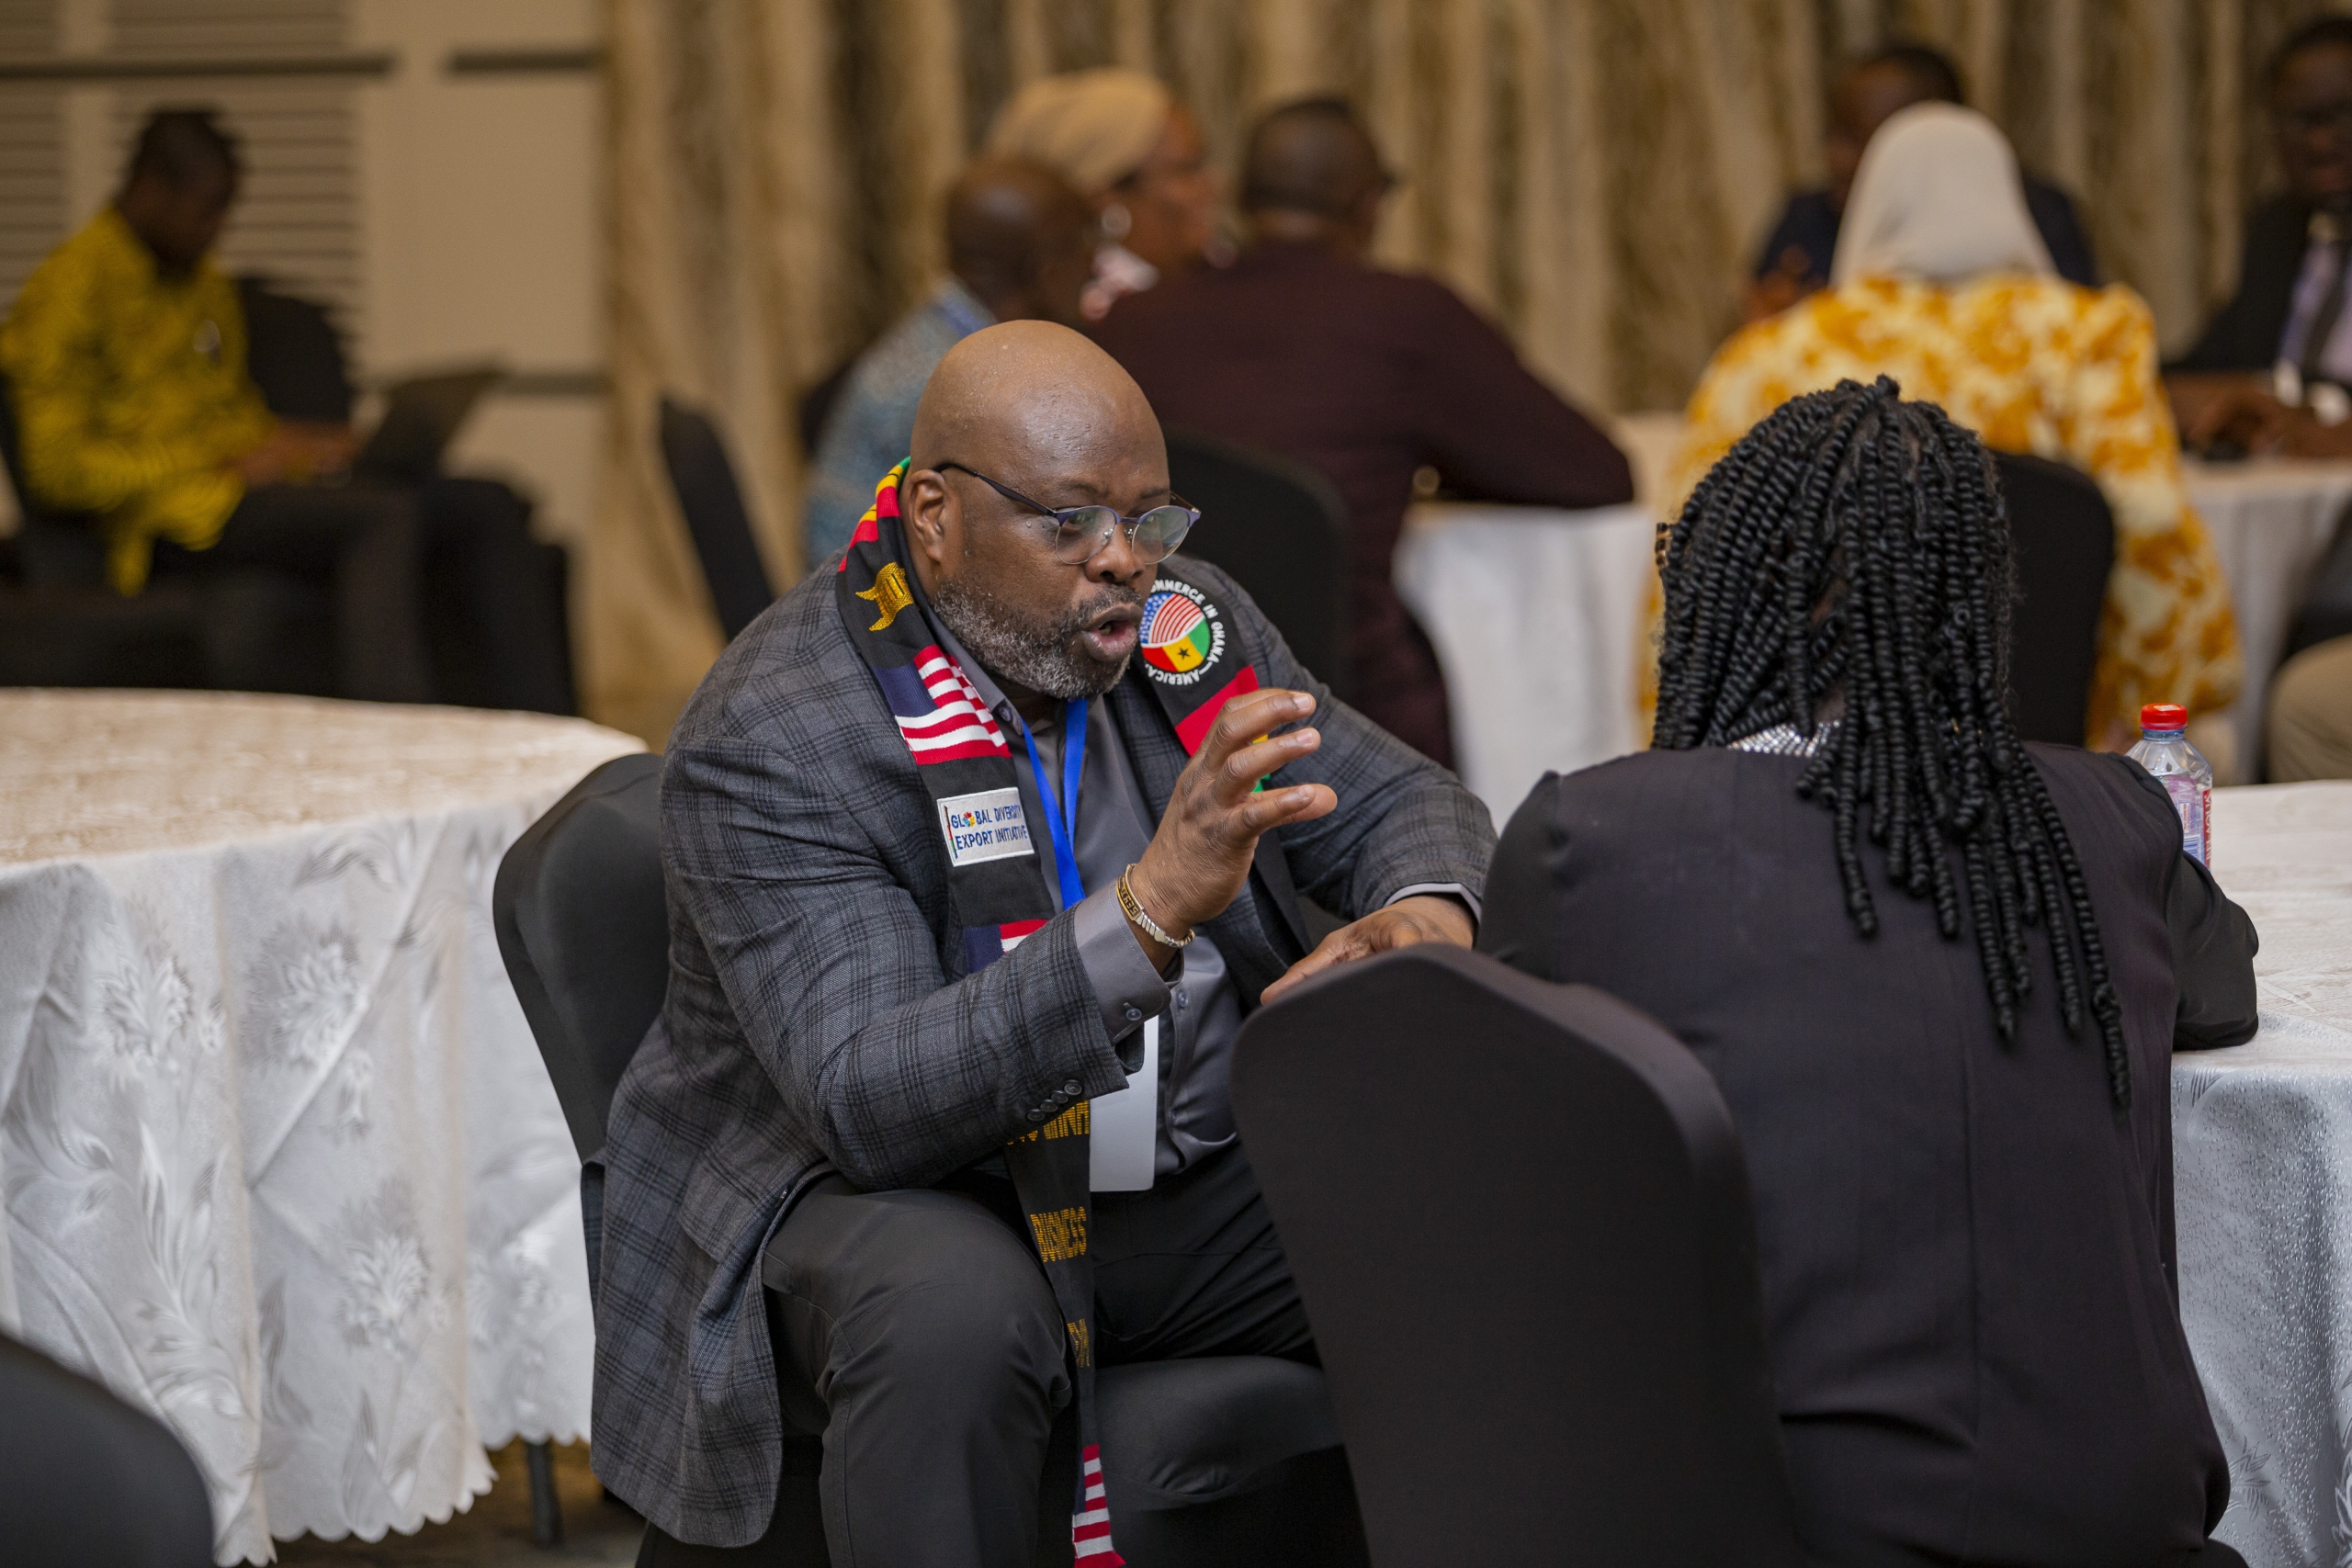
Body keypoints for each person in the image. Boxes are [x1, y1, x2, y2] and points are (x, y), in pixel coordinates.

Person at [594, 320, 1492, 1563]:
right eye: (1069, 521)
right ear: (935, 515)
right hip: (906, 1192)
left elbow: (1402, 800)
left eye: (1146, 517)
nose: (1122, 560)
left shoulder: (1183, 627)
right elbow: (870, 1096)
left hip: (1178, 1172)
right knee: (949, 1313)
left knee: (1483, 1191)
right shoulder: (781, 728)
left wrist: (1421, 916)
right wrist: (1150, 909)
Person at [1482, 379, 2257, 1568]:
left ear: (1721, 591)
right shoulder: (2107, 814)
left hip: (1782, 1532)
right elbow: (2218, 991)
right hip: (2130, 1530)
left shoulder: (1593, 839)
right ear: (1975, 599)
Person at [1670, 103, 2240, 752]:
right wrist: (2157, 703)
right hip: (2047, 747)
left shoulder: (1773, 355)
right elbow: (2152, 521)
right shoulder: (2086, 337)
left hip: (1820, 752)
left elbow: (1696, 551)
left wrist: (1696, 746)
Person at [1093, 96, 1633, 768]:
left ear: (1241, 199)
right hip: (1344, 727)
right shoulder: (1407, 317)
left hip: (1151, 708)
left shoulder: (1131, 325)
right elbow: (1594, 472)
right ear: (1369, 207)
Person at [1, 108, 571, 710]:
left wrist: (303, 445)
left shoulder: (202, 283)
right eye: (206, 210)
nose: (217, 229)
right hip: (175, 521)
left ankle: (554, 731)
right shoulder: (66, 295)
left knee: (486, 502)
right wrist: (213, 463)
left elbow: (231, 414)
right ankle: (392, 731)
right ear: (150, 189)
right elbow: (57, 470)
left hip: (244, 491)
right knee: (381, 517)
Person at [802, 156, 1096, 570]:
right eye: (1085, 247)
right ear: (1048, 272)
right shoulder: (964, 384)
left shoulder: (938, 336)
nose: (1094, 267)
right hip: (876, 597)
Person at [1746, 43, 2097, 321]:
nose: (1837, 158)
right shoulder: (1807, 219)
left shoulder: (2038, 215)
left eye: (1863, 141)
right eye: (1835, 134)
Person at [2173, 17, 2352, 458]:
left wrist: (2306, 410)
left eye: (2341, 115)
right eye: (2299, 122)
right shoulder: (2279, 230)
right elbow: (2211, 365)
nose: (2320, 143)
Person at [987, 67, 1221, 321]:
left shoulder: (1218, 271)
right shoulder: (1102, 318)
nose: (1213, 184)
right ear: (1107, 200)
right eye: (1186, 170)